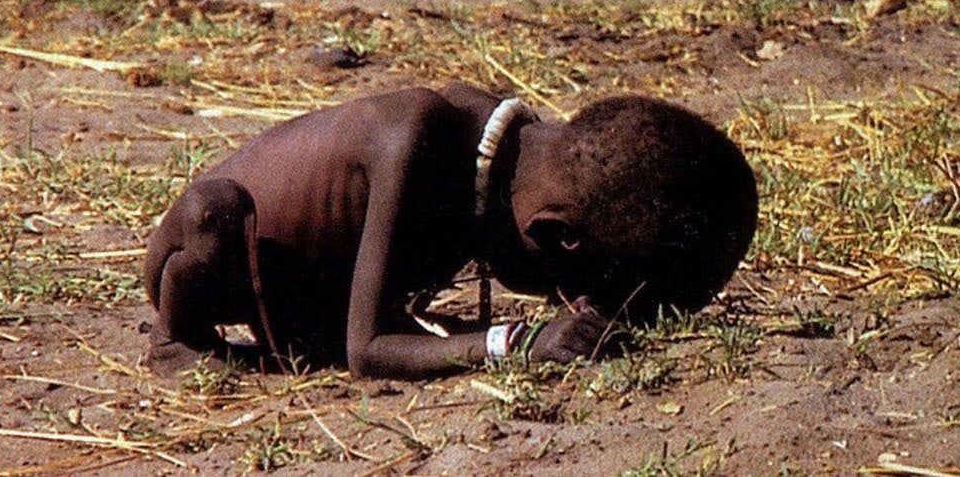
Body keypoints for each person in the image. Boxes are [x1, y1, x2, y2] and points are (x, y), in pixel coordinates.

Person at [141, 83, 758, 379]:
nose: (571, 305)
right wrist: (515, 342)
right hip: (212, 258)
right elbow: (368, 350)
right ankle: (178, 342)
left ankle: (297, 335)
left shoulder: (514, 156)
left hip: (310, 294)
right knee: (211, 217)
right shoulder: (417, 142)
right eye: (570, 291)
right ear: (552, 236)